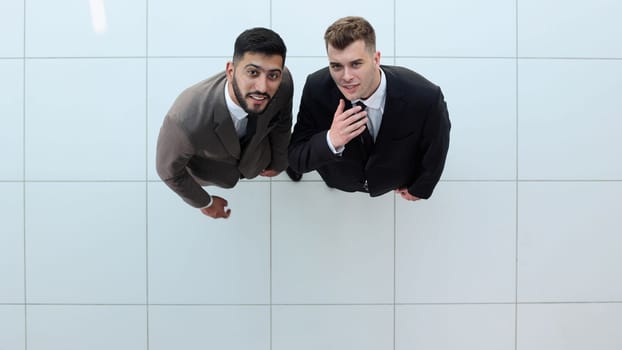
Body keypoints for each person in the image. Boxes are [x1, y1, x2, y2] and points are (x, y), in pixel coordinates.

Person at [287, 16, 450, 201]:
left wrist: (421, 187)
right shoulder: (316, 87)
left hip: (392, 180)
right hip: (339, 177)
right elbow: (296, 157)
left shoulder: (425, 95)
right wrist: (331, 140)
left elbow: (436, 145)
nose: (346, 77)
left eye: (356, 64)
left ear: (376, 59)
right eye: (336, 66)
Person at [156, 27, 293, 219]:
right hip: (213, 170)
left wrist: (280, 162)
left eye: (272, 75)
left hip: (256, 158)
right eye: (253, 72)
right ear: (230, 71)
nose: (262, 87)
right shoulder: (185, 119)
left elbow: (282, 123)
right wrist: (206, 203)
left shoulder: (284, 83)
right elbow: (169, 171)